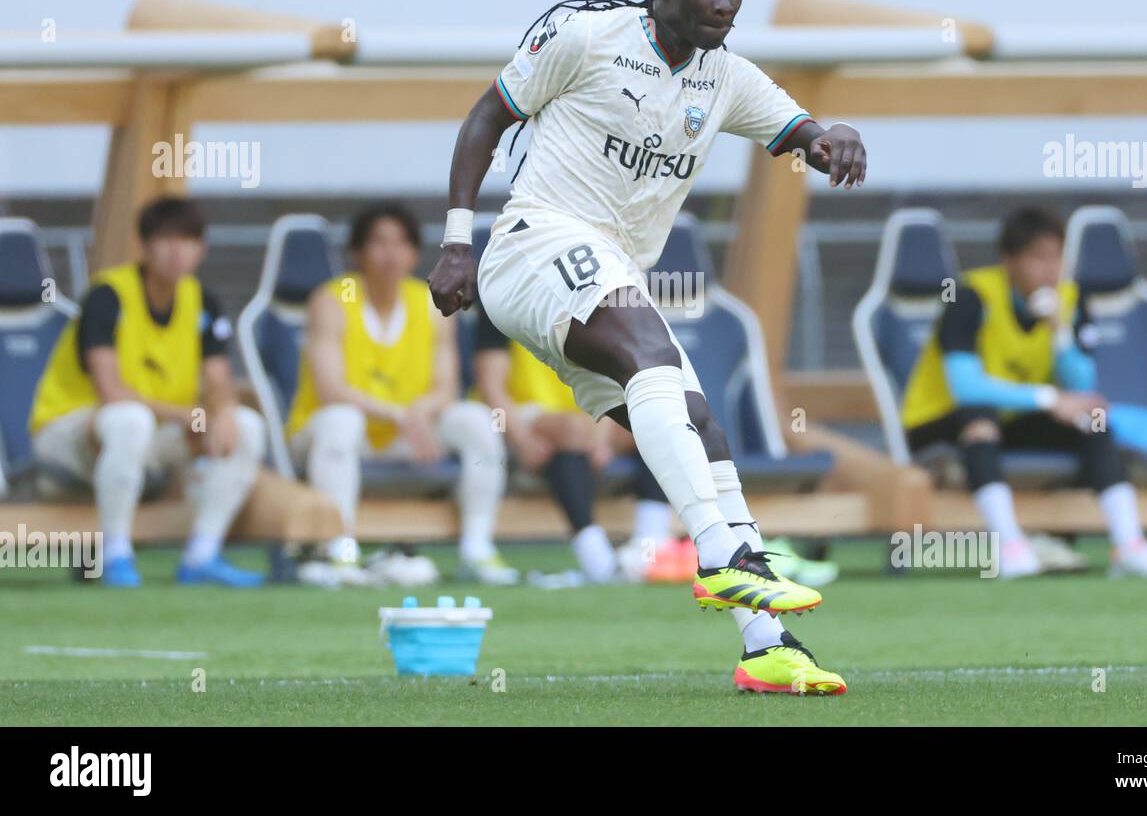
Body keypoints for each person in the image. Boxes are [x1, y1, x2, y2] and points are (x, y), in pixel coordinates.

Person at [428, 0, 867, 695]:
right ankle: (721, 557)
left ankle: (769, 645)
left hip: (604, 275)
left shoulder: (724, 75)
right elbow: (485, 118)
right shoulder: (587, 36)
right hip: (535, 245)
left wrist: (834, 138)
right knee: (657, 358)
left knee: (699, 423)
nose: (723, 2)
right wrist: (458, 241)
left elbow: (803, 129)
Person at [899, 206, 1147, 579]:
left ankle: (1128, 545)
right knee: (979, 416)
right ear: (1010, 261)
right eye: (1038, 257)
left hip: (1010, 423)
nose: (1051, 269)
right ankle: (1011, 546)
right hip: (936, 421)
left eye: (1057, 257)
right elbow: (966, 389)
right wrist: (1050, 399)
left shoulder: (1069, 298)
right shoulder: (968, 297)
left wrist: (1059, 332)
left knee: (1092, 422)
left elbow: (1081, 387)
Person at [29, 197, 266, 588]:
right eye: (166, 239)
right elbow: (111, 391)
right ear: (145, 245)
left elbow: (219, 379)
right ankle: (115, 553)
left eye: (189, 240)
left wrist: (220, 412)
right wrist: (191, 416)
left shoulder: (202, 300)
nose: (178, 251)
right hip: (69, 431)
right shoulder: (108, 295)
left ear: (201, 249)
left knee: (246, 425)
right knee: (129, 419)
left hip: (151, 433)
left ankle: (201, 556)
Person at [286, 204, 517, 587]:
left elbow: (445, 385)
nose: (391, 253)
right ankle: (340, 552)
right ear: (357, 252)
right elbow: (331, 390)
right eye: (378, 242)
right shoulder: (331, 298)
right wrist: (401, 415)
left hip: (408, 435)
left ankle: (477, 548)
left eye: (401, 243)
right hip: (332, 435)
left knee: (476, 419)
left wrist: (419, 414)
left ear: (414, 252)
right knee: (343, 420)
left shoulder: (430, 300)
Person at [472, 304, 686, 585]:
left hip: (588, 417)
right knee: (573, 431)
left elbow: (618, 375)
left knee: (653, 421)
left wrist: (604, 433)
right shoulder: (502, 297)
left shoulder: (596, 297)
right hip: (523, 414)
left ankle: (651, 548)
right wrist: (520, 439)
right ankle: (596, 558)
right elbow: (492, 386)